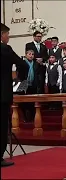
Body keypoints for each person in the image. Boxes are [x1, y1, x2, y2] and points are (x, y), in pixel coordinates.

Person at [1, 23, 28, 167]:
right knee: (2, 125)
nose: (8, 37)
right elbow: (23, 64)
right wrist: (19, 78)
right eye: (7, 34)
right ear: (2, 35)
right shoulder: (6, 49)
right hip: (3, 93)